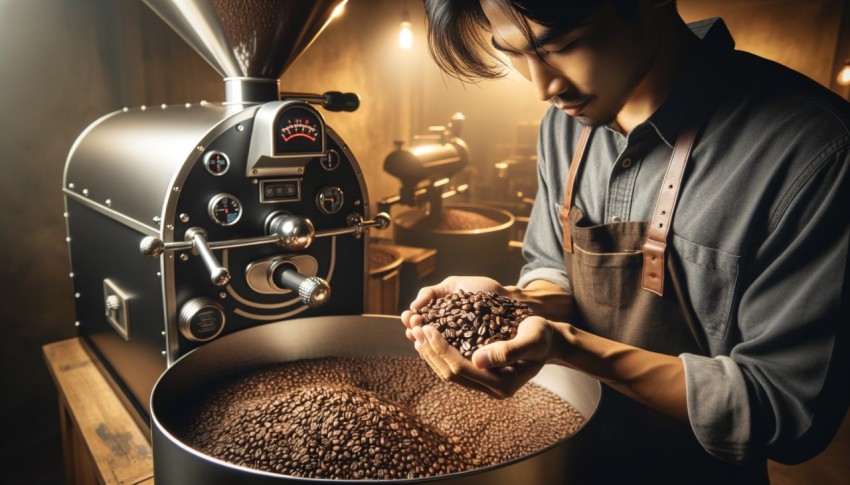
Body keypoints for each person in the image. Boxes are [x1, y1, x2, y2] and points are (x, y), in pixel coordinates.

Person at [400, 0, 850, 483]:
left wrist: (565, 346)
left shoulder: (815, 151)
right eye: (513, 53)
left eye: (563, 46)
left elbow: (786, 413)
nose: (542, 87)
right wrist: (514, 306)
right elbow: (553, 269)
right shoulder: (563, 124)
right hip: (563, 456)